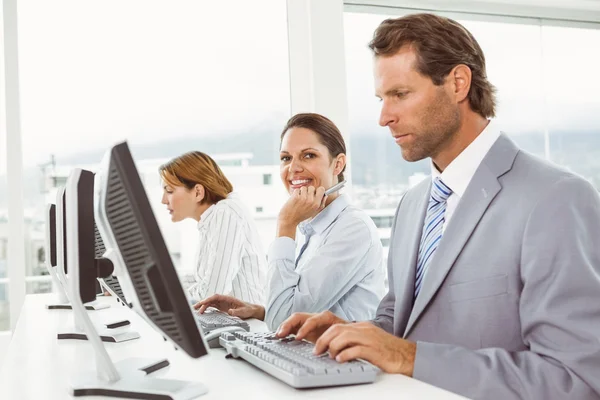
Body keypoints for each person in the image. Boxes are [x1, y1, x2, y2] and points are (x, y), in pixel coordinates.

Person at [276, 13, 600, 400]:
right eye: (382, 99)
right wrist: (346, 331)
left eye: (400, 94)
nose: (384, 117)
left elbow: (576, 379)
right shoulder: (413, 205)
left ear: (458, 83)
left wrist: (409, 357)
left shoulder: (556, 199)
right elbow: (401, 324)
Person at [195, 113, 386, 330]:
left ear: (338, 165)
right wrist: (259, 311)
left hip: (343, 362)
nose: (293, 168)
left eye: (308, 156)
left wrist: (285, 225)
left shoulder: (352, 228)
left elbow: (282, 321)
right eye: (286, 158)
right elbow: (297, 310)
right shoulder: (314, 227)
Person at [159, 151, 266, 304]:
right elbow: (200, 281)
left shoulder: (226, 213)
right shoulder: (212, 219)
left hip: (247, 326)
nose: (163, 200)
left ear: (198, 192)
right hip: (229, 321)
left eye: (169, 191)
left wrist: (164, 294)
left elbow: (212, 293)